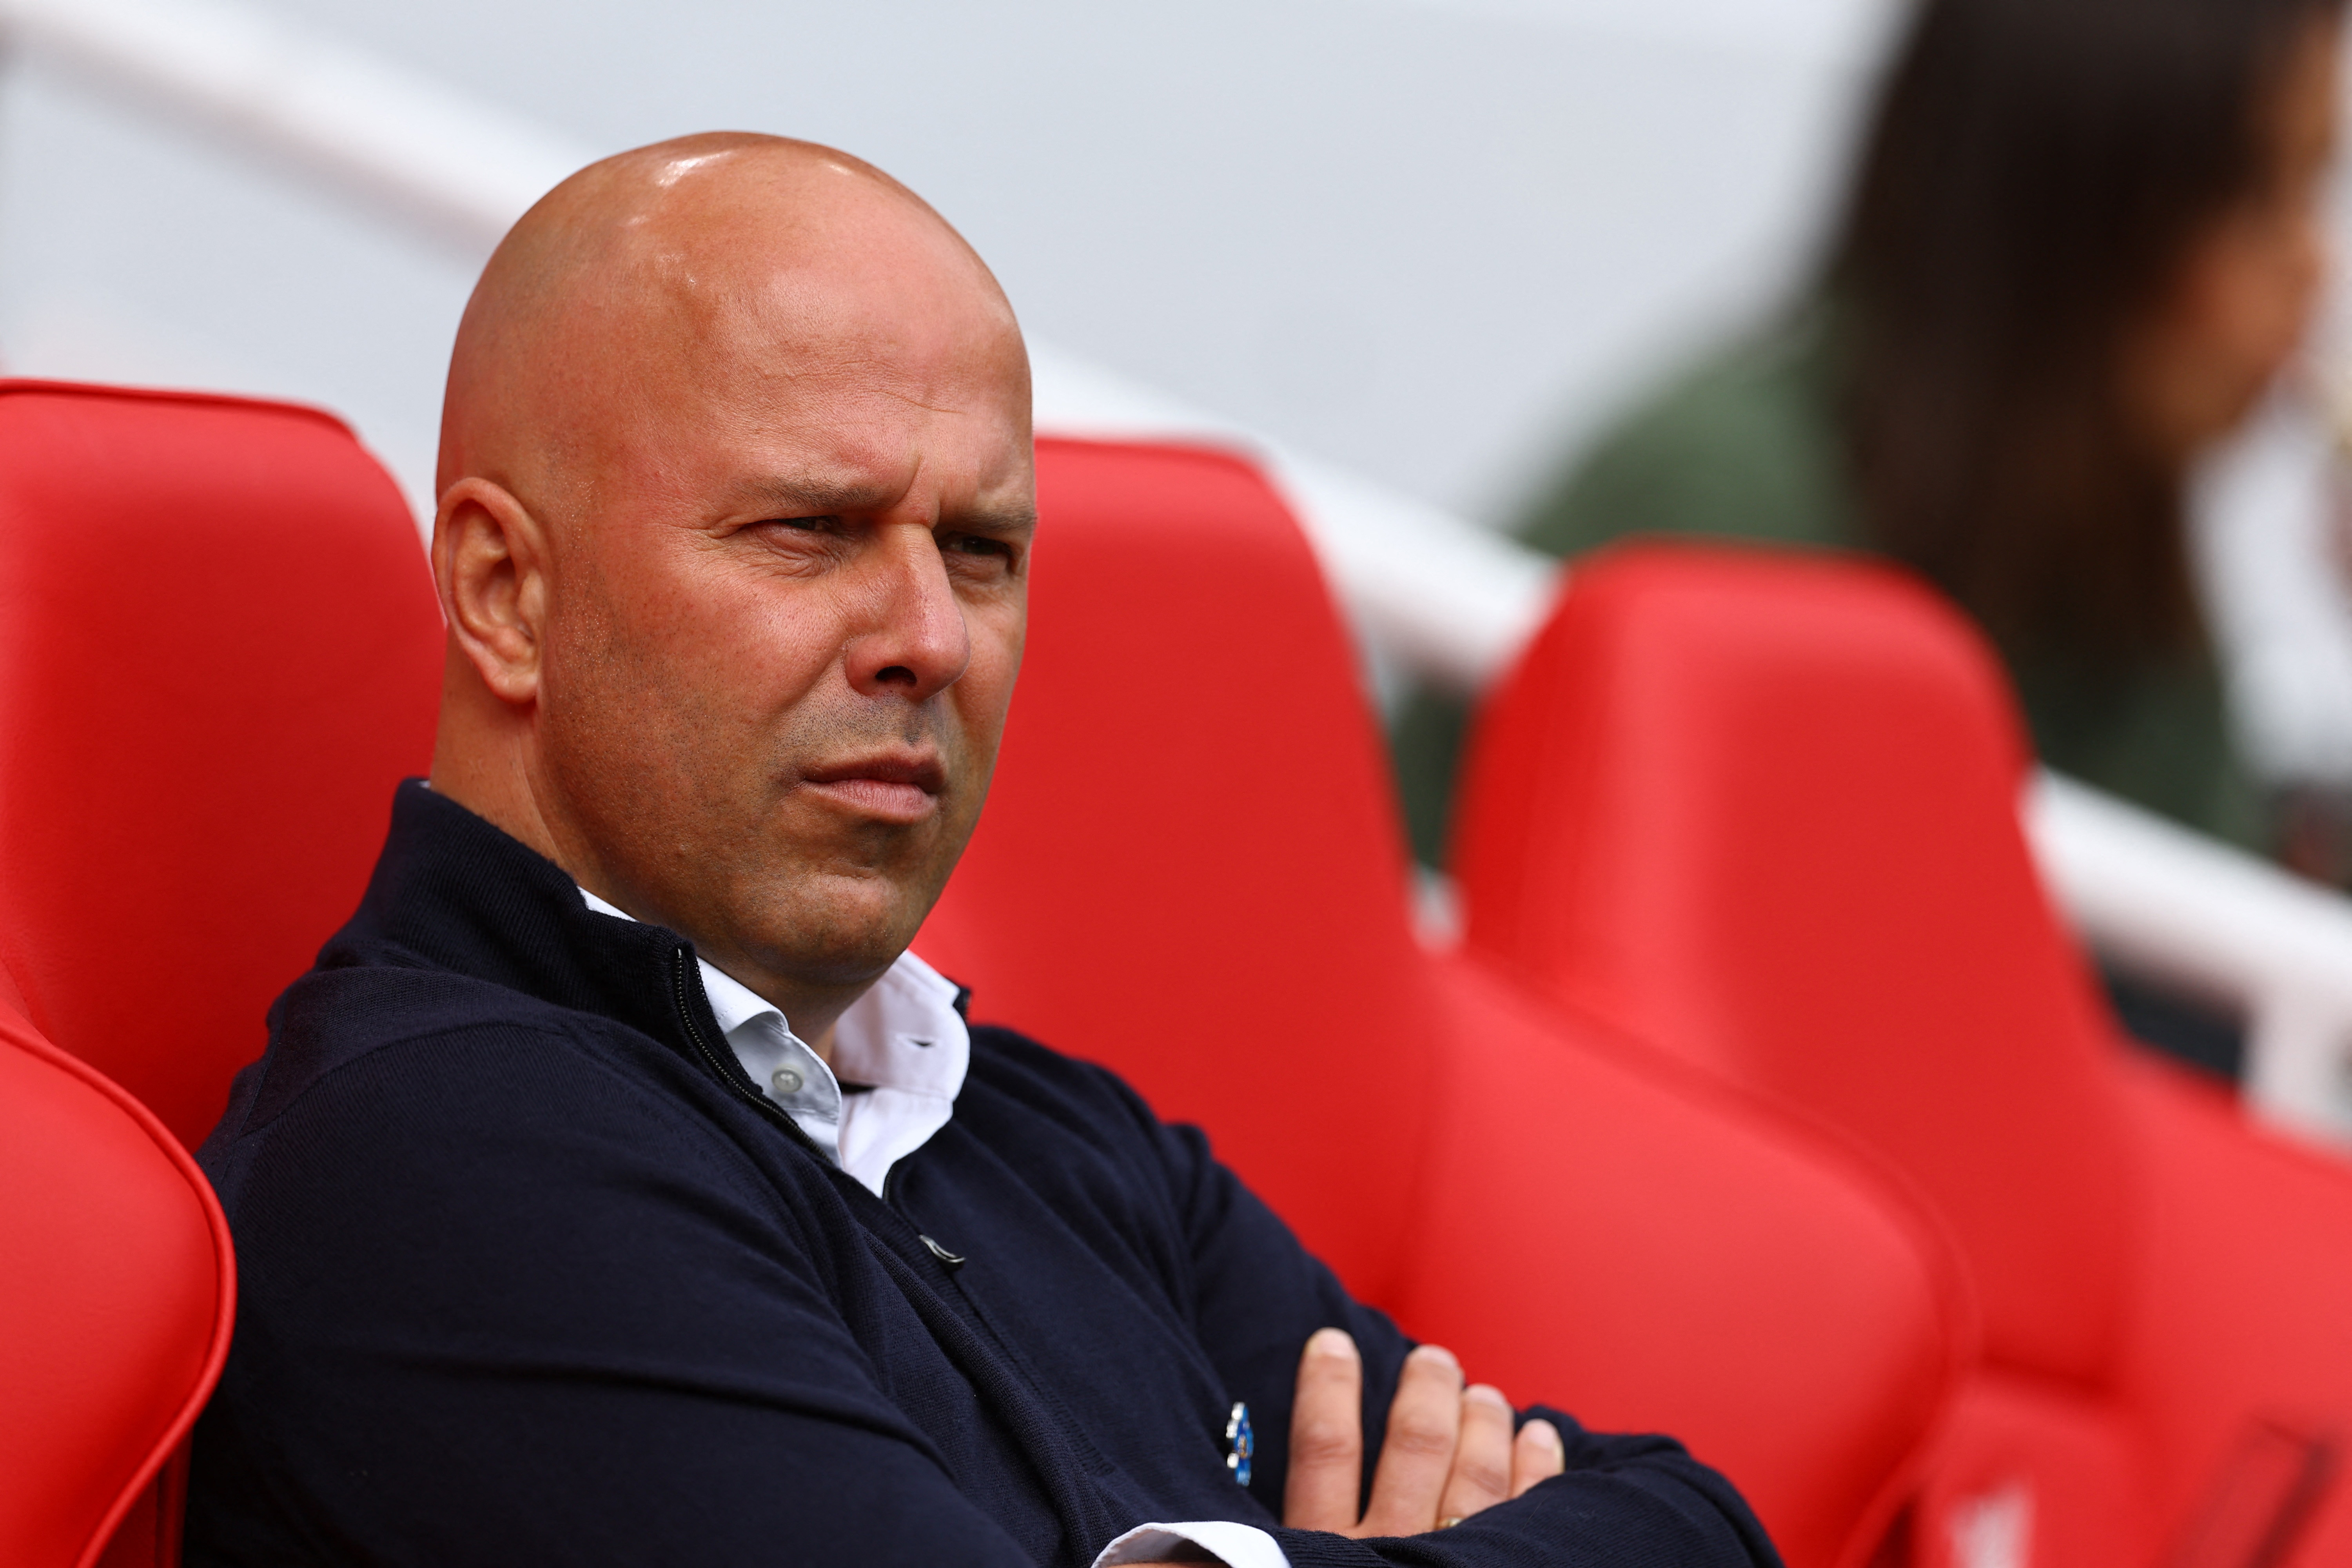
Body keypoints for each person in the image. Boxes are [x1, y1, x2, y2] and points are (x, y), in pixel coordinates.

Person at [183, 134, 1775, 1568]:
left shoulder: (1047, 1132)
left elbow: (1696, 1523)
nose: (932, 637)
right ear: (503, 594)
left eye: (981, 549)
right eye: (807, 529)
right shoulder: (437, 1153)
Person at [1395, 0, 2346, 869]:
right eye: (2261, 194)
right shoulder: (1725, 507)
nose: (2314, 264)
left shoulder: (2134, 602)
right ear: (2079, 207)